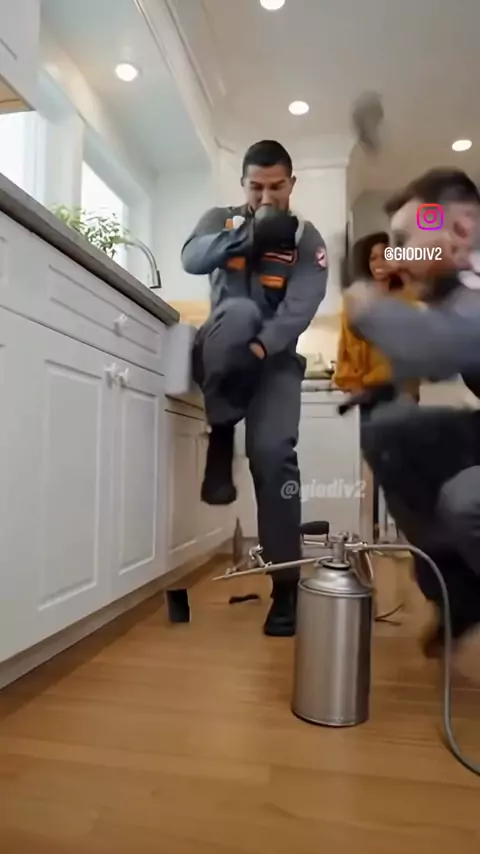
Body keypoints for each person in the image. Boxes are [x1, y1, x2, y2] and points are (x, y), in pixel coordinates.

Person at [181, 140, 328, 636]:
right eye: (256, 187)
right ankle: (223, 431)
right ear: (243, 184)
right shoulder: (220, 219)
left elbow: (301, 305)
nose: (267, 197)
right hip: (221, 348)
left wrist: (262, 351)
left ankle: (285, 588)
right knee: (241, 311)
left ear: (292, 184)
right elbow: (192, 258)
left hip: (274, 362)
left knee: (274, 456)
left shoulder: (306, 238)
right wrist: (246, 236)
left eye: (276, 187)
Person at [344, 167, 480, 655]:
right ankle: (459, 593)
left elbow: (442, 348)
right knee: (391, 431)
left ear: (461, 228)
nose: (399, 257)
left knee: (466, 499)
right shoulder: (455, 294)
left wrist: (365, 301)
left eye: (405, 242)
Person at [334, 231, 420, 539]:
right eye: (373, 257)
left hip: (401, 390)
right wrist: (353, 383)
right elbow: (346, 348)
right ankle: (369, 533)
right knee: (372, 465)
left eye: (385, 255)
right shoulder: (355, 301)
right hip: (369, 392)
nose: (379, 261)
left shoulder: (408, 297)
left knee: (403, 464)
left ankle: (403, 534)